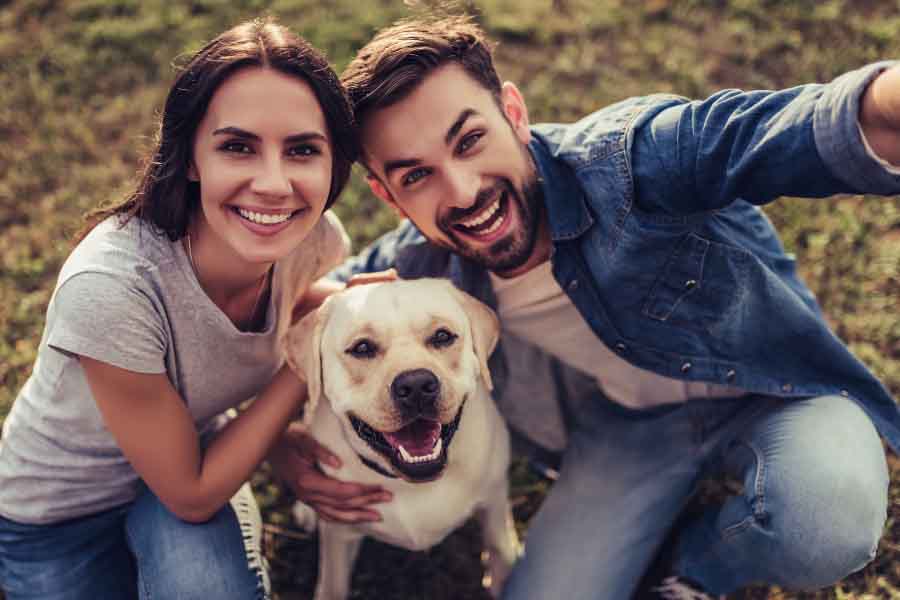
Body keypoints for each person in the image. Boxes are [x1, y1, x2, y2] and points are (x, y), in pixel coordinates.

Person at [271, 14, 900, 600]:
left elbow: (763, 134)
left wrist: (882, 102)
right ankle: (661, 530)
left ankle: (703, 567)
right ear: (387, 194)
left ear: (513, 113)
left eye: (470, 141)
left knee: (828, 521)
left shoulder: (631, 160)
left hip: (776, 386)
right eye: (416, 176)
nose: (461, 192)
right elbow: (275, 316)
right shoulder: (422, 266)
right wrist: (281, 440)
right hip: (630, 427)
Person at [0, 17, 360, 600]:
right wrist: (308, 356)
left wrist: (347, 310)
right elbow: (192, 492)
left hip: (190, 460)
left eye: (301, 150)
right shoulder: (111, 287)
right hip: (54, 520)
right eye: (238, 147)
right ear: (190, 156)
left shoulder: (313, 240)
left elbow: (291, 311)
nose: (274, 184)